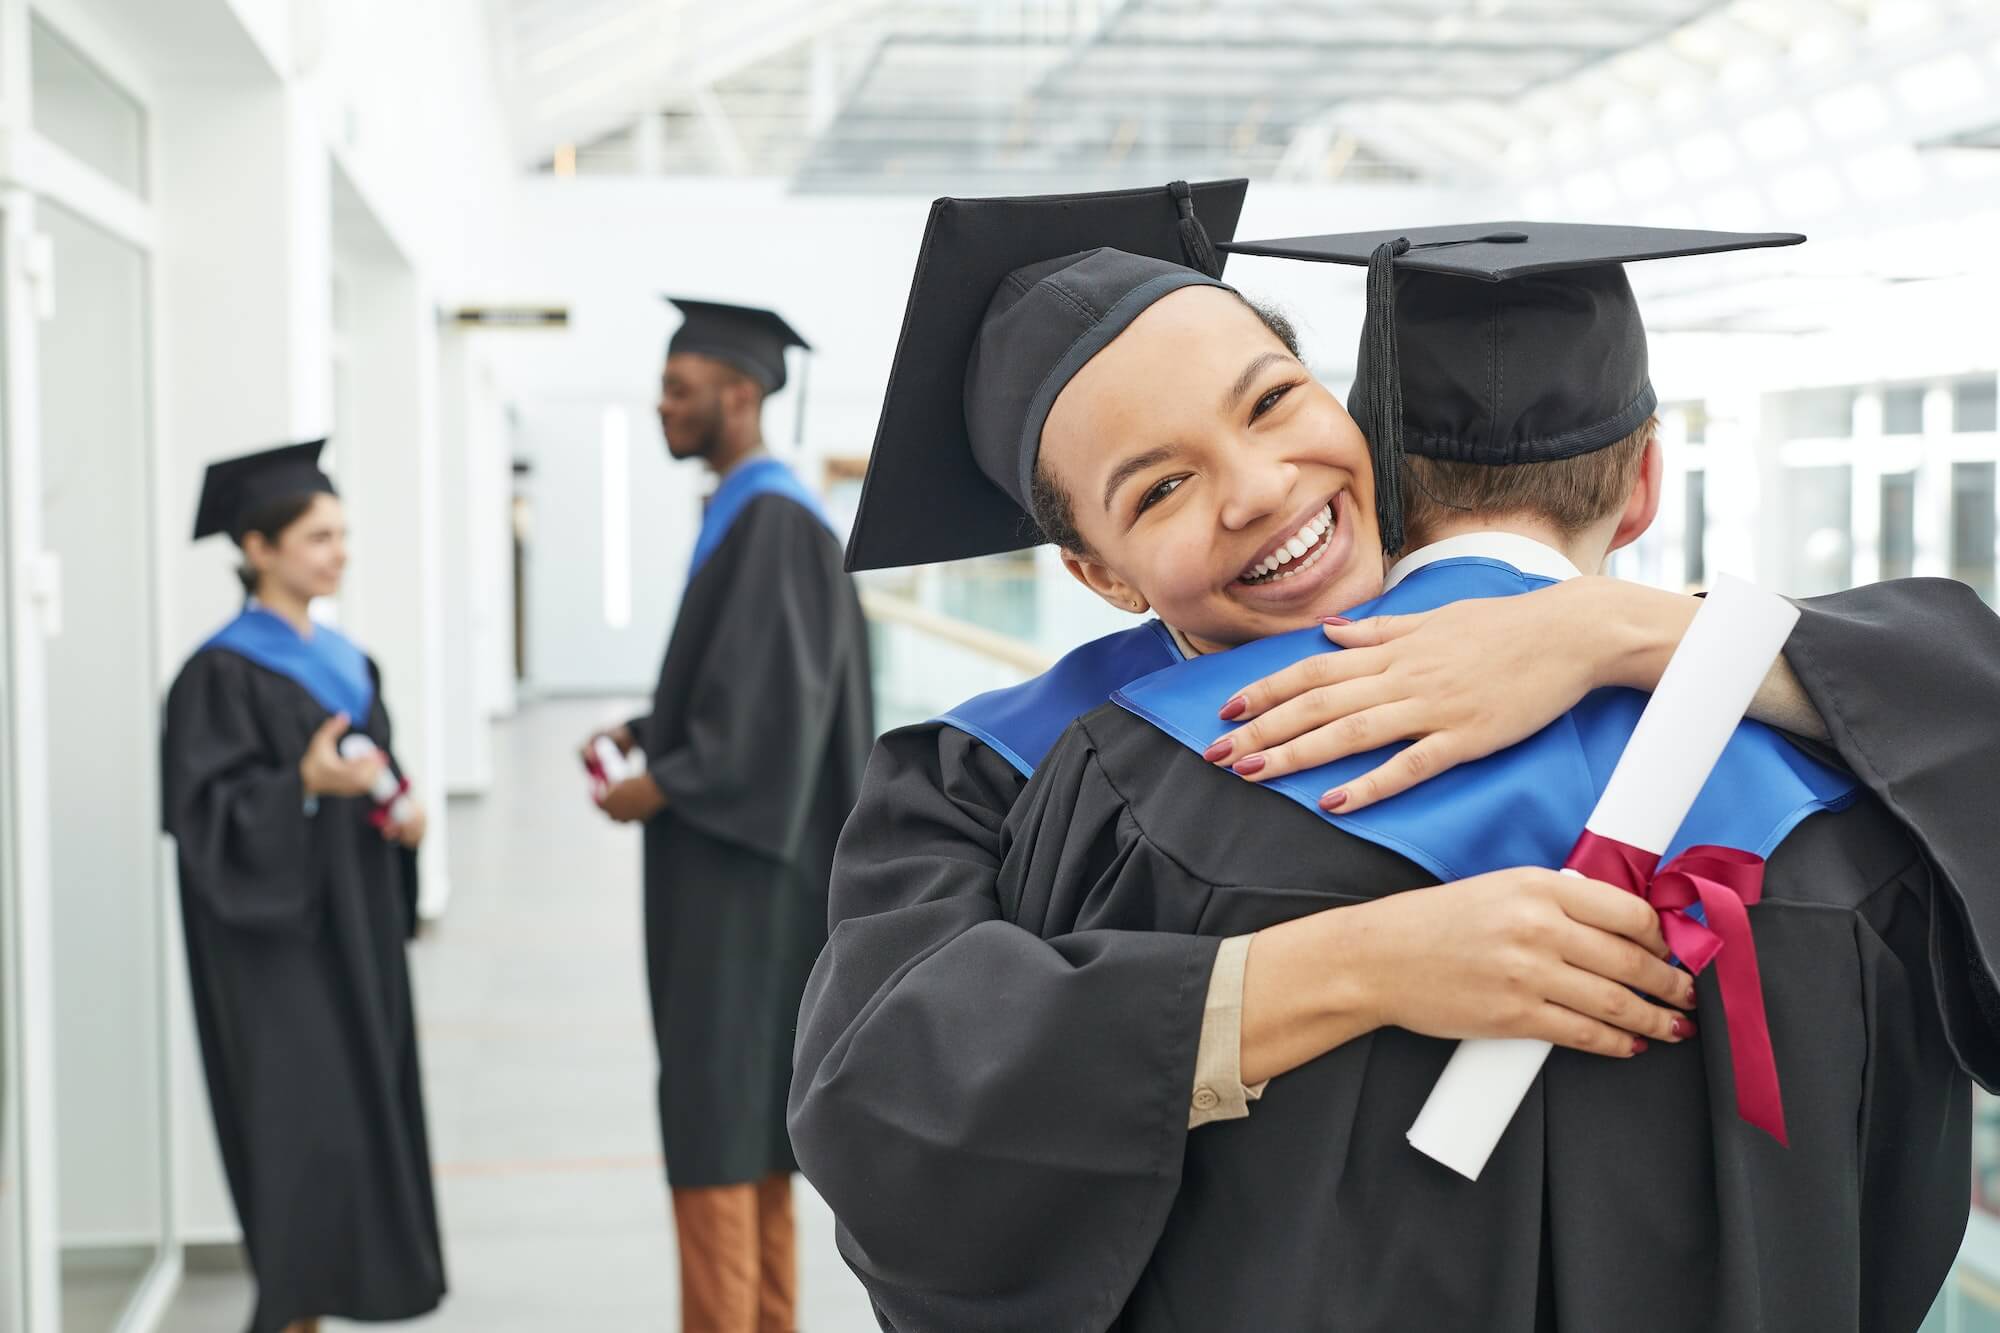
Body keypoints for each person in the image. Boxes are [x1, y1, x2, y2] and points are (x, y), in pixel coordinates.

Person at [792, 203, 1996, 1328]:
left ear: (1366, 433)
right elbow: (888, 1101)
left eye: (1268, 403)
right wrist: (1344, 965)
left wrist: (1613, 631)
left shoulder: (1102, 798)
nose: (1259, 492)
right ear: (1099, 571)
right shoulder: (995, 777)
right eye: (1160, 487)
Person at [584, 298, 873, 1333]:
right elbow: (742, 687)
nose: (662, 405)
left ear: (740, 396)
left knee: (717, 1112)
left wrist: (656, 782)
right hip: (741, 875)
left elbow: (765, 729)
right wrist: (645, 726)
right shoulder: (749, 514)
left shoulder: (773, 522)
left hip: (742, 883)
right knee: (746, 1119)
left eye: (679, 387)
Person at [162, 440, 444, 1333]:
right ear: (258, 547)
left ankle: (322, 1310)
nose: (338, 551)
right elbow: (203, 816)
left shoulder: (350, 662)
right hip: (272, 949)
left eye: (342, 533)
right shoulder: (217, 674)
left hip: (352, 930)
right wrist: (302, 789)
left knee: (356, 1131)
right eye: (318, 536)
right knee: (300, 1139)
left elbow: (373, 770)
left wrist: (400, 817)